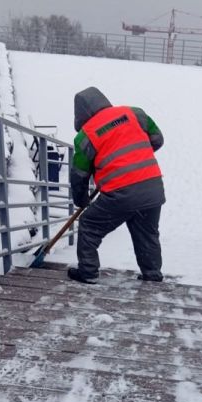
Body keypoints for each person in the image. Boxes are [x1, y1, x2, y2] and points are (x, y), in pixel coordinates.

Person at [67, 87, 165, 284]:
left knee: (89, 225)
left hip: (121, 193)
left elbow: (79, 175)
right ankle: (152, 275)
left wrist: (81, 199)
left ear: (80, 114)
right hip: (152, 187)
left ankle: (88, 272)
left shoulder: (86, 135)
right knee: (147, 233)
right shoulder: (134, 113)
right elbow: (157, 139)